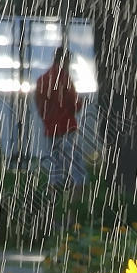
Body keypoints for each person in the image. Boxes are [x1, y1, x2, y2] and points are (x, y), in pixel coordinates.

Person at [35, 47, 86, 189]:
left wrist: (48, 119)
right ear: (66, 60)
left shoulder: (42, 80)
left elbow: (40, 107)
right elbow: (76, 105)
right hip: (66, 128)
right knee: (76, 171)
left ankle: (53, 204)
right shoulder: (64, 79)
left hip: (51, 130)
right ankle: (76, 207)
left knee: (55, 169)